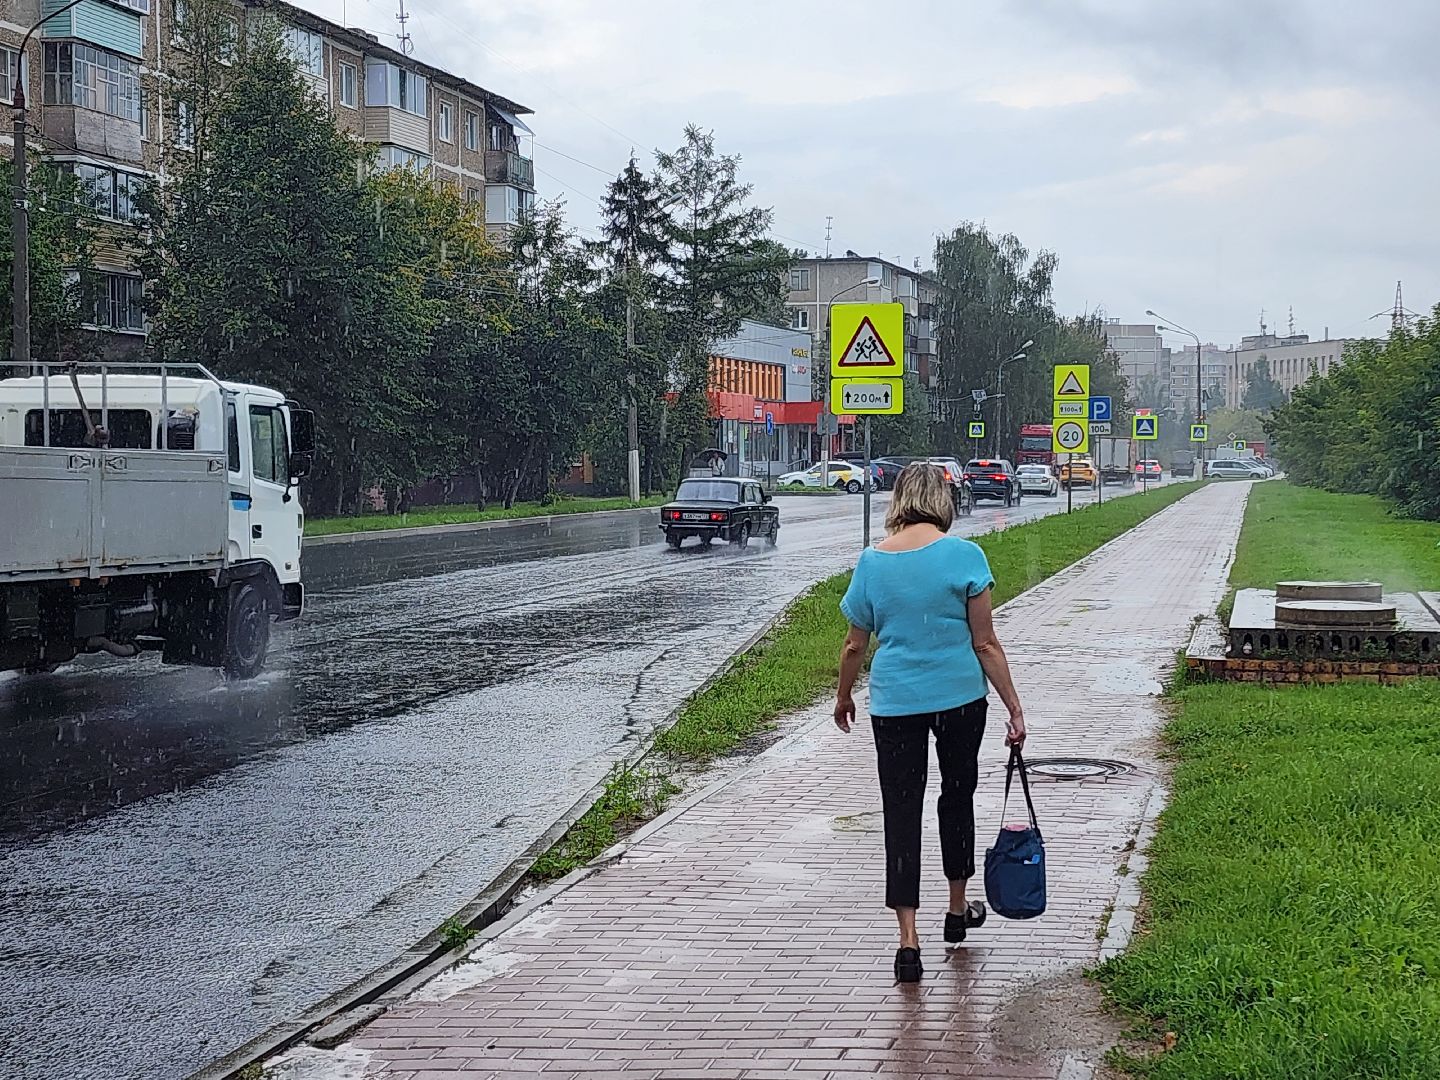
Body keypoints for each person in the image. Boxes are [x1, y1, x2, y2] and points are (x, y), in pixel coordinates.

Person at [834, 461, 1026, 983]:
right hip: (961, 697)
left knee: (901, 808)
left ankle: (908, 940)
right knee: (956, 795)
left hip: (895, 703)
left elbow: (856, 642)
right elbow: (985, 642)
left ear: (898, 500)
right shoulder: (965, 555)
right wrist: (1013, 705)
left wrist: (844, 696)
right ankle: (957, 908)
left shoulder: (872, 562)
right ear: (942, 500)